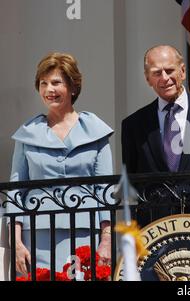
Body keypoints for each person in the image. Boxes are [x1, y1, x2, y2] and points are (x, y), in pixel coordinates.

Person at [7, 52, 113, 276]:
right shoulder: (27, 134)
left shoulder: (96, 131)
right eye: (43, 83)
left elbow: (105, 191)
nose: (48, 90)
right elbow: (15, 191)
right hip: (36, 233)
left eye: (56, 82)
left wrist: (106, 239)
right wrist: (16, 242)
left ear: (73, 88)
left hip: (84, 231)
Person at [121, 45, 190, 226]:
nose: (164, 78)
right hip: (155, 227)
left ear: (183, 71)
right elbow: (131, 184)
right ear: (148, 79)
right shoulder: (134, 124)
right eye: (156, 73)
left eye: (170, 70)